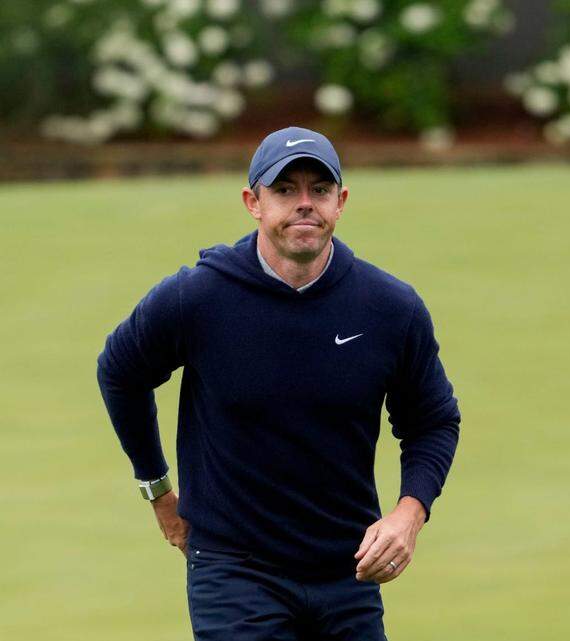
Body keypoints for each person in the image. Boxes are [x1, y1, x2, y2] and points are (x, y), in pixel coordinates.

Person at [96, 126, 460, 640]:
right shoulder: (198, 297)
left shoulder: (389, 308)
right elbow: (119, 371)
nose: (304, 204)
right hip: (234, 570)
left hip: (347, 569)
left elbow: (433, 420)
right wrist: (158, 490)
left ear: (341, 202)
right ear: (253, 202)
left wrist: (409, 512)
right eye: (285, 190)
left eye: (319, 189)